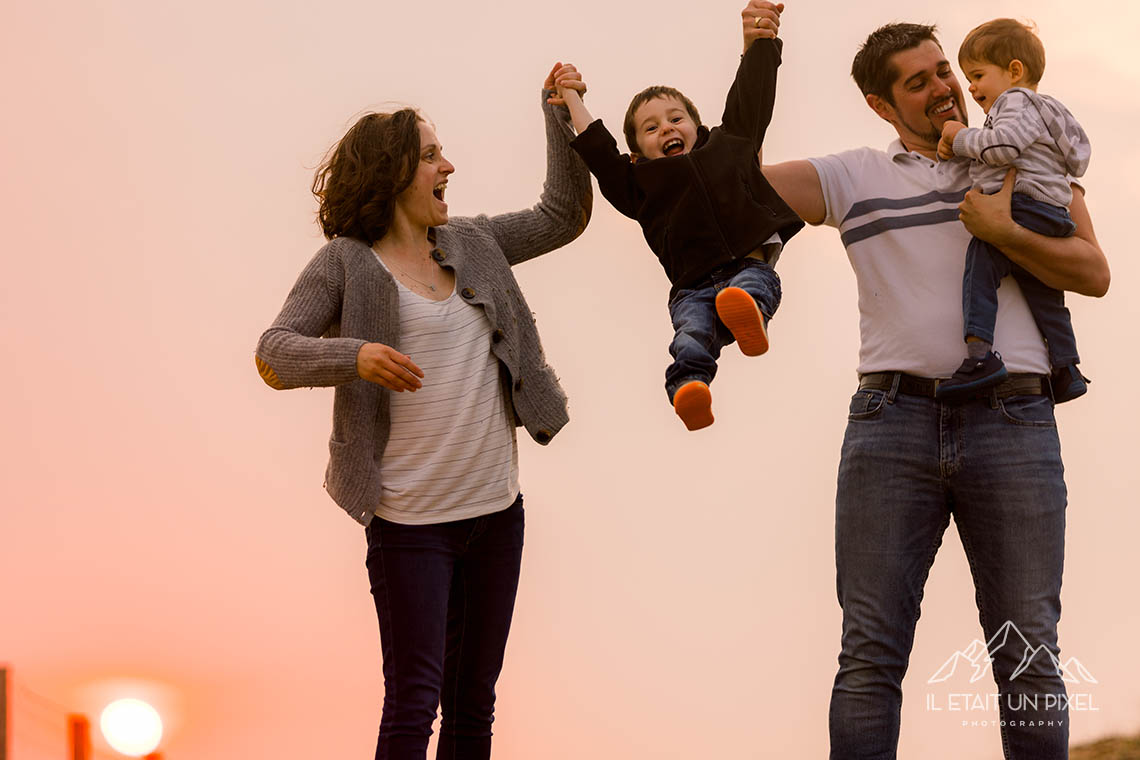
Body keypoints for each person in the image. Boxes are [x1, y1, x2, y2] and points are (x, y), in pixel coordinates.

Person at [754, 8, 1109, 759]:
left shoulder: (1020, 152)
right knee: (869, 657)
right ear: (883, 106)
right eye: (919, 83)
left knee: (1029, 656)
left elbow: (1094, 271)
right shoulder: (854, 174)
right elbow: (729, 190)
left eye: (945, 69)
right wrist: (752, 61)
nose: (946, 87)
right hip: (892, 422)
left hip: (1014, 418)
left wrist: (1005, 230)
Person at [254, 64, 591, 760]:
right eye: (433, 154)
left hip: (496, 514)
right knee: (414, 700)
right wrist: (355, 357)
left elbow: (565, 215)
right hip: (410, 526)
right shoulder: (345, 264)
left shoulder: (474, 242)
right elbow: (275, 352)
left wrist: (559, 111)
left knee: (474, 709)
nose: (449, 165)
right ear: (394, 171)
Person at [553, 2, 802, 431]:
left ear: (697, 125)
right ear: (637, 154)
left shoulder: (729, 144)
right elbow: (600, 153)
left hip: (749, 262)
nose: (666, 128)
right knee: (690, 337)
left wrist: (760, 43)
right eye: (650, 129)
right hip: (692, 288)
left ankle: (751, 316)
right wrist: (573, 96)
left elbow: (751, 97)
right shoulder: (638, 186)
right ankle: (690, 388)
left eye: (674, 118)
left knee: (751, 287)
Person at [934, 18, 1091, 402]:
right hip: (1052, 212)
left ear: (1014, 71)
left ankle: (980, 356)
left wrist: (958, 138)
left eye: (978, 75)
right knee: (1044, 290)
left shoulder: (1014, 102)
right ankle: (1066, 366)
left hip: (1022, 204)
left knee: (980, 265)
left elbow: (1003, 148)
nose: (971, 86)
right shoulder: (1051, 110)